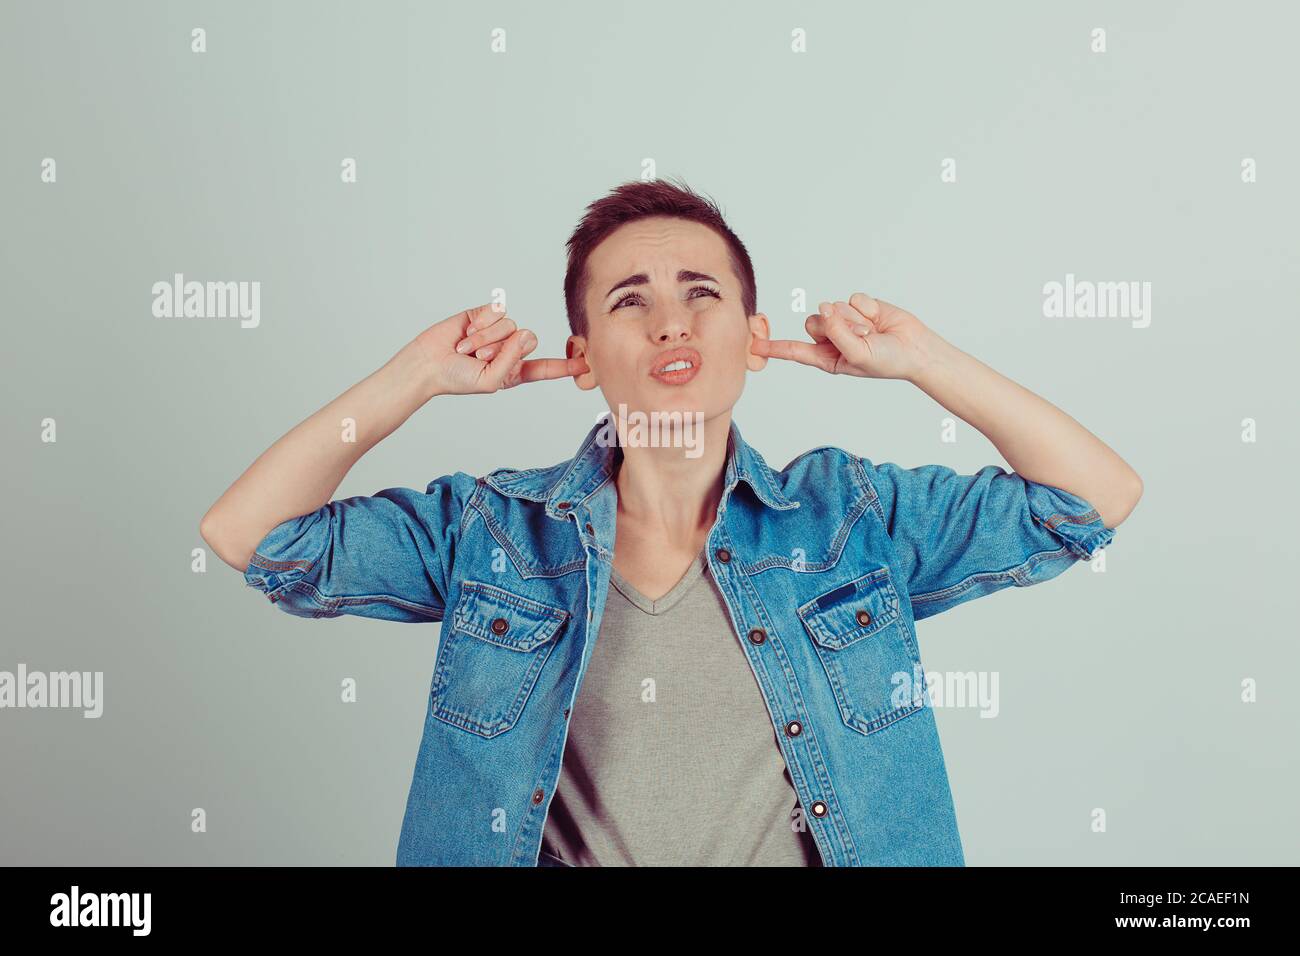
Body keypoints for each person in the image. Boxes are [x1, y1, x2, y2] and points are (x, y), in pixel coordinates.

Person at [200, 177, 1143, 867]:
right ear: (581, 354)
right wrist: (414, 378)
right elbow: (253, 537)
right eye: (630, 301)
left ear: (753, 332)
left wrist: (925, 360)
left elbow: (1093, 499)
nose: (671, 325)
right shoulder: (490, 532)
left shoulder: (853, 519)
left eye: (703, 294)